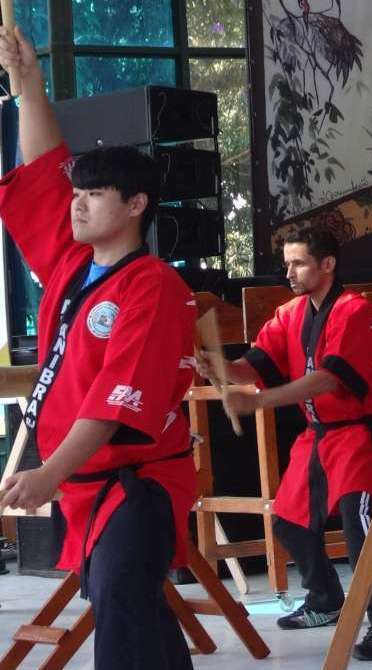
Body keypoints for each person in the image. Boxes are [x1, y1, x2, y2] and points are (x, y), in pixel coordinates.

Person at [0, 25, 198, 669]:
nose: (77, 205)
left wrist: (46, 474)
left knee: (122, 610)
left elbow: (114, 403)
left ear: (136, 204)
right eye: (77, 194)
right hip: (88, 485)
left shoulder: (154, 287)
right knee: (133, 614)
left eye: (92, 195)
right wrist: (26, 84)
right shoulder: (70, 264)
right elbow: (39, 168)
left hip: (135, 487)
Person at [197, 227, 372, 661]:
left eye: (299, 263)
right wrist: (216, 364)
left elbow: (329, 377)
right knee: (290, 520)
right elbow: (252, 365)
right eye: (287, 263)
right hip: (317, 437)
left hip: (359, 437)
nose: (289, 271)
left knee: (364, 532)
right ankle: (325, 600)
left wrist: (260, 401)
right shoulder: (290, 313)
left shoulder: (356, 312)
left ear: (327, 264)